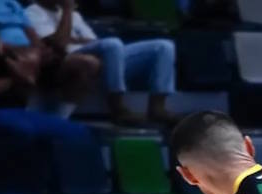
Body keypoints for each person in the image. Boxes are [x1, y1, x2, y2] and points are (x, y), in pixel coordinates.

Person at [25, 0, 180, 126]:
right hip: (70, 60)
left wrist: (73, 36)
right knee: (112, 43)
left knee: (163, 46)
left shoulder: (75, 15)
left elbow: (93, 41)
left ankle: (157, 107)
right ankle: (117, 106)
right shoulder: (32, 12)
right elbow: (59, 44)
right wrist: (67, 10)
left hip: (102, 58)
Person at [0, 10, 91, 141]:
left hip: (17, 113)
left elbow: (29, 82)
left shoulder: (2, 54)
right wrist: (14, 80)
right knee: (24, 131)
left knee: (77, 131)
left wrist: (4, 57)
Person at [0, 0, 99, 113]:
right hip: (5, 51)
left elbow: (30, 33)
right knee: (27, 62)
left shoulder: (11, 3)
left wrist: (41, 49)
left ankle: (59, 120)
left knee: (86, 64)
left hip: (29, 52)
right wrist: (13, 50)